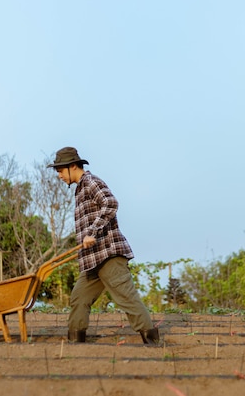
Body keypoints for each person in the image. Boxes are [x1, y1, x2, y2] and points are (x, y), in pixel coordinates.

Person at [48, 147, 160, 345]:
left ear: (72, 166)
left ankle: (151, 340)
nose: (58, 175)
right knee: (79, 297)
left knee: (126, 297)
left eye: (60, 170)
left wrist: (92, 232)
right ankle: (75, 341)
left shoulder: (91, 182)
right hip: (93, 259)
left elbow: (110, 203)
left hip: (108, 254)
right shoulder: (80, 189)